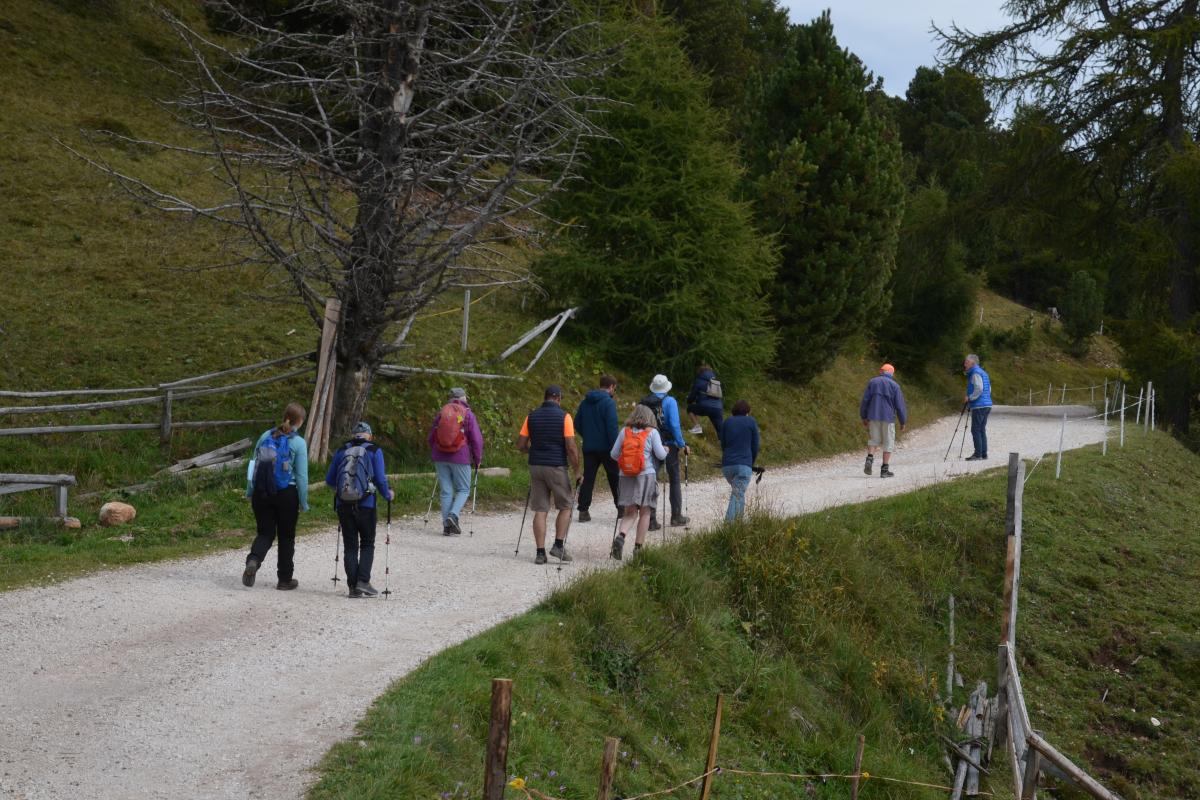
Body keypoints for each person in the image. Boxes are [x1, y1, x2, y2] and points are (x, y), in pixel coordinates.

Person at [242, 402, 309, 590]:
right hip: (287, 494)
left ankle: (254, 560)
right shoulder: (298, 442)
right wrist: (303, 502)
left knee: (265, 533)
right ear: (300, 421)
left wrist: (250, 491)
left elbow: (253, 465)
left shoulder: (265, 436)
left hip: (262, 492)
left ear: (284, 416)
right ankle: (284, 580)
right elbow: (302, 477)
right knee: (286, 537)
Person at [325, 422, 395, 597]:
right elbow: (380, 478)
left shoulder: (342, 450)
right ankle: (363, 582)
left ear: (353, 434)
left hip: (343, 504)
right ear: (369, 435)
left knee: (350, 547)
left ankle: (352, 586)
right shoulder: (374, 450)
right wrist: (387, 494)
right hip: (366, 504)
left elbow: (330, 480)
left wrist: (344, 491)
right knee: (367, 543)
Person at [516, 385, 581, 564]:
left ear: (545, 398)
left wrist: (533, 451)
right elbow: (571, 447)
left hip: (536, 467)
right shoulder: (565, 417)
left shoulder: (531, 416)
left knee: (540, 509)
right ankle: (558, 546)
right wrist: (577, 472)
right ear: (558, 398)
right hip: (556, 466)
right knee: (566, 505)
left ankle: (540, 553)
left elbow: (520, 445)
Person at [609, 404, 669, 560]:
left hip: (626, 476)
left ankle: (621, 536)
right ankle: (638, 549)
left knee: (630, 512)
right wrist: (666, 450)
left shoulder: (624, 432)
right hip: (645, 475)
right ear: (650, 417)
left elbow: (614, 454)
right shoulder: (652, 433)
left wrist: (627, 463)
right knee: (645, 512)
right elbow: (661, 455)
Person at [429, 387, 485, 536]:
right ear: (464, 398)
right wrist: (478, 458)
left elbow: (432, 435)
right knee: (463, 489)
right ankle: (453, 516)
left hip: (440, 456)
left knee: (446, 491)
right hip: (460, 456)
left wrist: (435, 451)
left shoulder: (442, 412)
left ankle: (447, 527)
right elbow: (476, 439)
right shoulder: (468, 414)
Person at [642, 374, 689, 529]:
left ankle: (651, 520)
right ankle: (676, 516)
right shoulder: (670, 401)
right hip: (669, 445)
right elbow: (674, 426)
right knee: (674, 479)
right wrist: (682, 444)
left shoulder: (646, 402)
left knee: (651, 480)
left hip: (650, 445)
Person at [574, 375, 620, 523]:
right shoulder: (608, 403)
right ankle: (621, 508)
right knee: (614, 477)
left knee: (588, 478)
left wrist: (587, 435)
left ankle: (583, 510)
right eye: (615, 388)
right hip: (607, 447)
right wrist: (616, 448)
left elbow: (577, 423)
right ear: (611, 386)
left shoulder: (585, 402)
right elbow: (612, 428)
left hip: (589, 447)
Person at [859, 363, 908, 478]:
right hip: (888, 418)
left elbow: (865, 401)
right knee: (888, 442)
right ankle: (884, 470)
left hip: (873, 416)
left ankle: (869, 459)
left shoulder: (873, 382)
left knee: (874, 439)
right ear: (891, 373)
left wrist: (864, 416)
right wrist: (902, 421)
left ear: (881, 371)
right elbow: (900, 406)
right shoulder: (895, 386)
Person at [719, 399, 760, 519]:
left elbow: (723, 443)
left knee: (738, 493)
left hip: (727, 466)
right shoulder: (751, 421)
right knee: (738, 494)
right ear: (748, 411)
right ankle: (729, 527)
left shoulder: (727, 422)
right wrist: (750, 463)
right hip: (743, 465)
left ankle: (738, 524)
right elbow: (755, 445)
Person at [963, 353, 993, 461]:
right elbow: (988, 389)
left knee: (975, 429)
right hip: (987, 404)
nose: (964, 364)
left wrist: (970, 398)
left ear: (972, 363)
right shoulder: (983, 373)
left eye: (966, 362)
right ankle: (983, 453)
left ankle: (978, 454)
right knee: (981, 429)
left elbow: (979, 388)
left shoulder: (975, 373)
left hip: (979, 405)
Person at [685, 363, 724, 435]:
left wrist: (689, 400)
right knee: (720, 430)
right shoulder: (716, 382)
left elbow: (692, 395)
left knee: (690, 408)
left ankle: (697, 427)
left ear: (700, 371)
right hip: (718, 408)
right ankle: (724, 443)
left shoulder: (699, 380)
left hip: (704, 407)